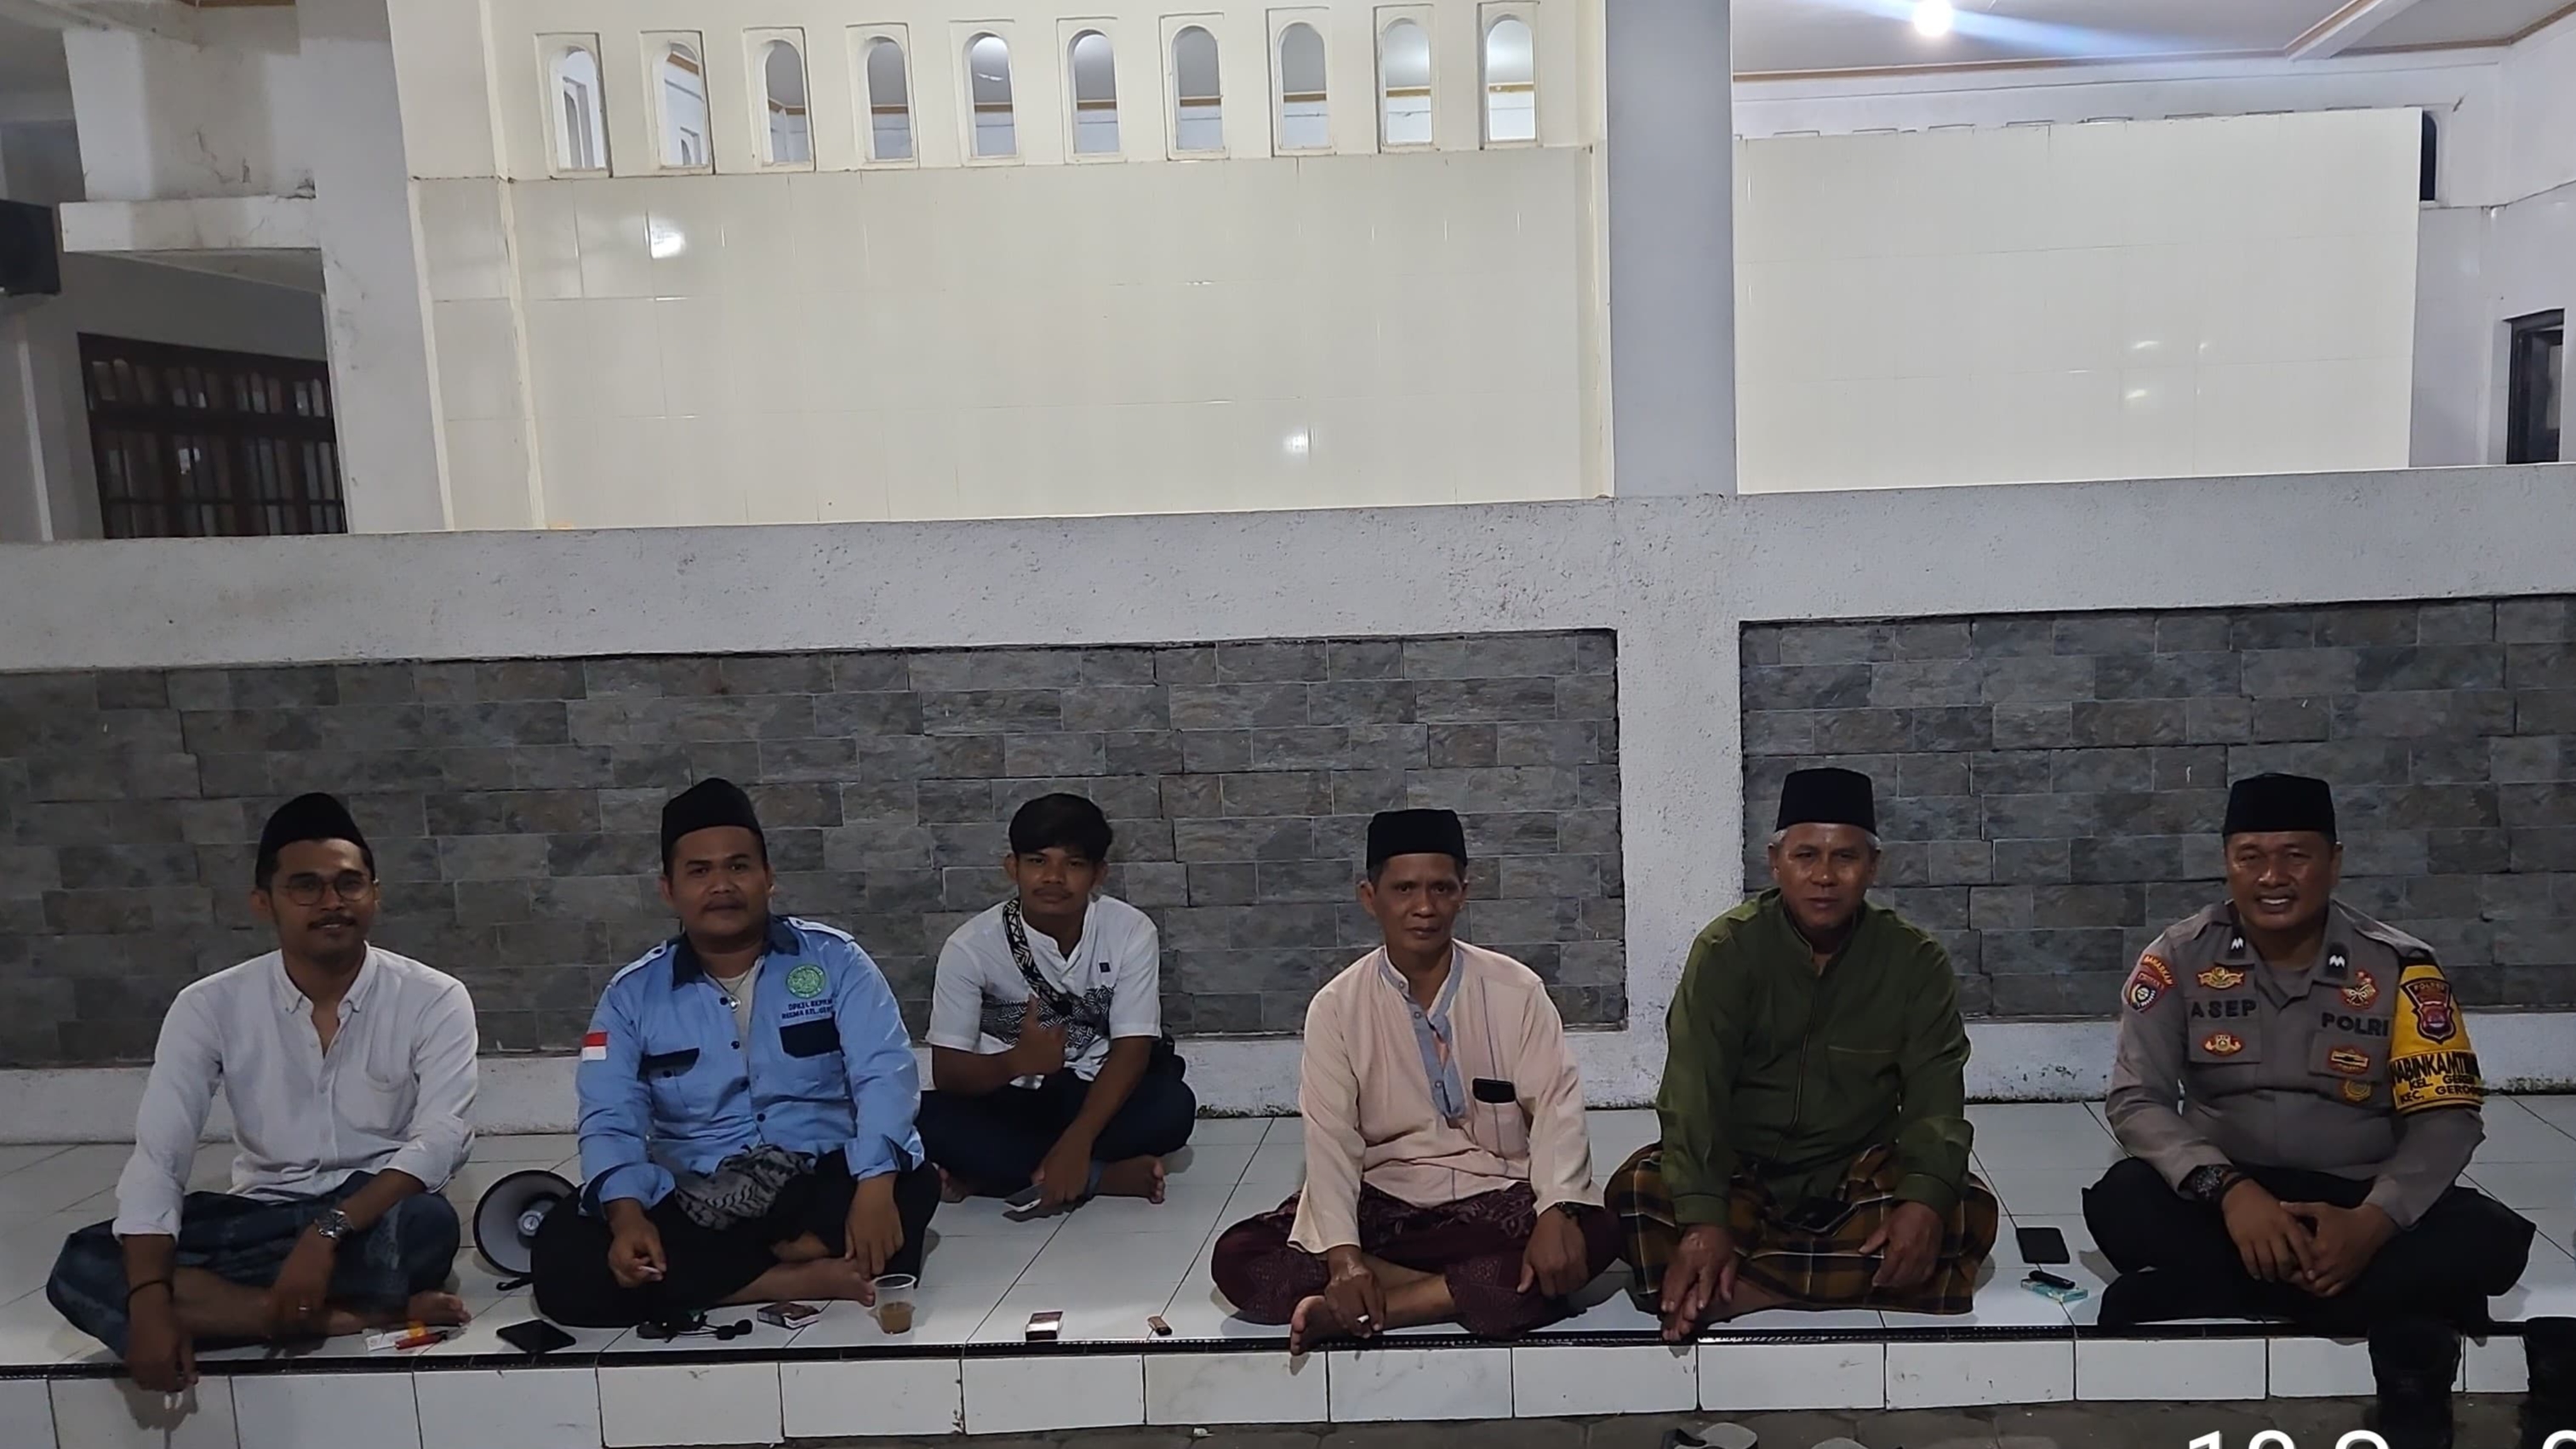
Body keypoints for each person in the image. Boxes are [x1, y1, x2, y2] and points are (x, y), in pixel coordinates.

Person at [2086, 773, 2562, 1449]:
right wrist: (2231, 1192)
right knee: (2121, 1200)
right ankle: (2387, 1305)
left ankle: (2211, 1290)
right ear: (2226, 863)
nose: (2271, 876)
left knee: (2491, 1238)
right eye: (2250, 856)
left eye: (2295, 855)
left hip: (2358, 1193)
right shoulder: (2177, 958)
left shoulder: (2400, 966)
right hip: (2231, 1199)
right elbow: (2137, 1098)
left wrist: (2373, 1221)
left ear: (2333, 862)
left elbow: (2448, 1115)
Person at [46, 793, 478, 1390]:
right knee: (83, 1261)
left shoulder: (433, 996)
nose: (331, 902)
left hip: (370, 1214)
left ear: (375, 894)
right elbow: (159, 1158)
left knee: (427, 1224)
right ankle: (355, 1314)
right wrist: (146, 1298)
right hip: (260, 1217)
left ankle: (223, 1308)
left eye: (349, 883)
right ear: (263, 901)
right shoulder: (209, 1005)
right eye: (305, 886)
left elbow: (442, 1139)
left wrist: (327, 1232)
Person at [529, 777, 940, 1327]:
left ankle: (719, 1276)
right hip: (699, 1193)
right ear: (668, 889)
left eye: (738, 866)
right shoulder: (631, 996)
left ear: (769, 877)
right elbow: (609, 1117)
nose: (721, 885)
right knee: (561, 1255)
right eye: (699, 871)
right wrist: (627, 1218)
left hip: (817, 1176)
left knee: (912, 1182)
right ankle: (788, 1275)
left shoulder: (837, 961)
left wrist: (874, 1187)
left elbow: (884, 1073)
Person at [1208, 807, 1619, 1352]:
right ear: (1369, 897)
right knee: (1238, 1256)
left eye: (1441, 888)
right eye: (1403, 889)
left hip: (1495, 1199)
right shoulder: (1337, 1007)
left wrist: (1556, 1210)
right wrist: (1345, 1259)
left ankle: (1371, 1308)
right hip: (1386, 1205)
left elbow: (1557, 1112)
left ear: (1463, 893)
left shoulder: (1517, 990)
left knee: (1599, 1231)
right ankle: (1472, 1293)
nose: (1424, 907)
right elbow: (1330, 1141)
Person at [1610, 766, 1996, 1340]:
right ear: (1775, 862)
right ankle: (1829, 1277)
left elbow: (1934, 1099)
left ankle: (1747, 1288)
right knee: (1636, 1194)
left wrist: (1922, 1202)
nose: (1824, 876)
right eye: (1805, 855)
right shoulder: (1727, 950)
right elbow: (1692, 1094)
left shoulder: (1914, 960)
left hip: (1854, 1172)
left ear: (1873, 866)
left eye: (1845, 858)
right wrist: (1705, 1219)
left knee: (1963, 1207)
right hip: (1742, 1171)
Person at [917, 793, 1195, 1211]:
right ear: (1012, 867)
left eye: (1074, 864)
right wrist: (1016, 1061)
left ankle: (1007, 1174)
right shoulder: (970, 947)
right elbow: (948, 1072)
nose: (1053, 878)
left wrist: (1078, 1140)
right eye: (1037, 861)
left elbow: (1132, 1049)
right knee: (922, 1121)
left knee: (1173, 1107)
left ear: (1099, 874)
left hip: (1091, 1091)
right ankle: (1100, 1176)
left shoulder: (1130, 931)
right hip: (1007, 1097)